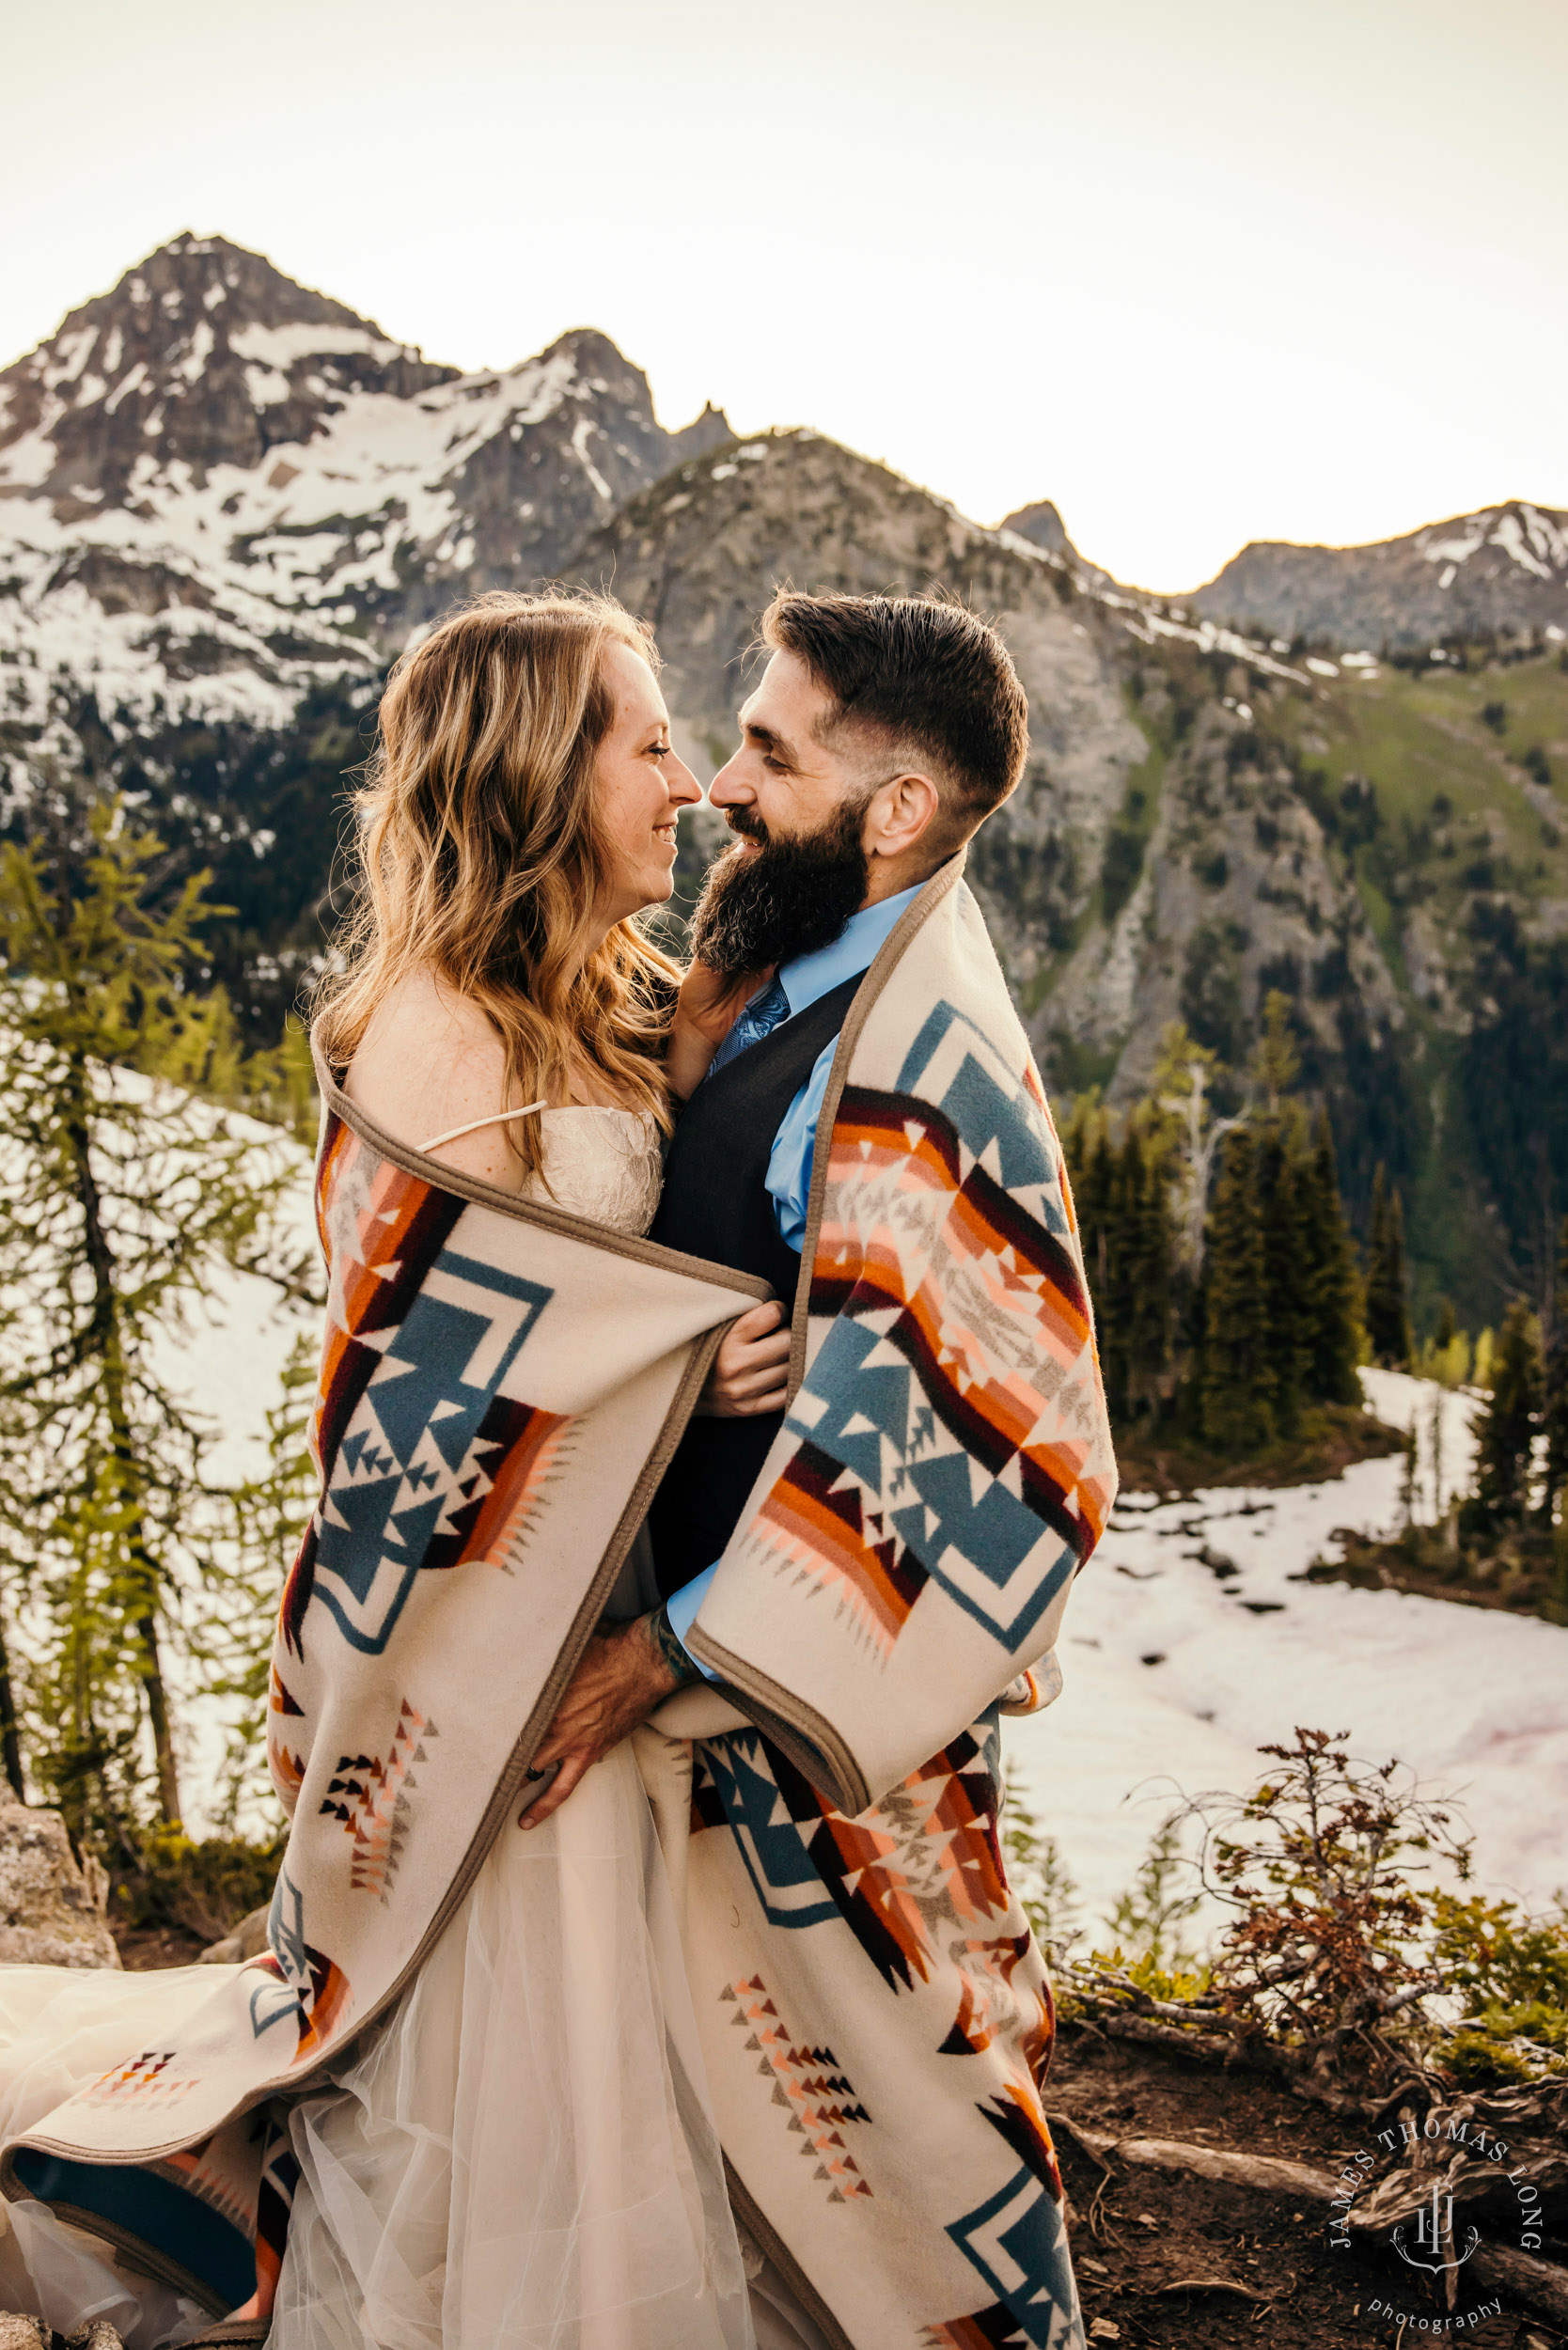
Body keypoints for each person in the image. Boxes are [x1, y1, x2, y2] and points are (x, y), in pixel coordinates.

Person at [0, 590, 783, 2350]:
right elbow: (424, 1403)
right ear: (532, 774)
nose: (688, 780)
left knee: (585, 2021)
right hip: (484, 1638)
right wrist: (677, 1383)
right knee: (515, 2030)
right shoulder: (442, 1032)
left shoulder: (582, 1000)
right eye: (647, 742)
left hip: (589, 1602)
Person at [529, 592, 1119, 2349]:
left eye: (771, 756)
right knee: (745, 2116)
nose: (719, 784)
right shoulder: (790, 983)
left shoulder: (922, 1063)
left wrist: (664, 1653)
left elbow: (937, 1440)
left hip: (816, 1693)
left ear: (899, 813)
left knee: (906, 2103)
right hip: (730, 1674)